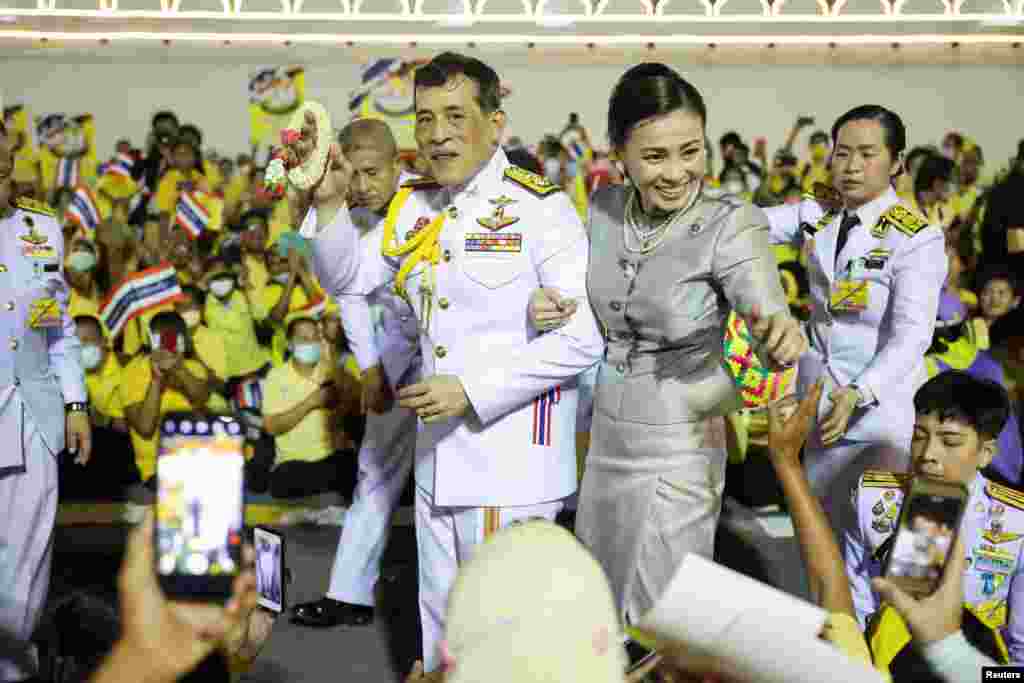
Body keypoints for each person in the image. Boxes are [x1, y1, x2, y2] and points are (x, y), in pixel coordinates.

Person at [299, 52, 605, 671]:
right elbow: (352, 277)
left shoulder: (539, 208)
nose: (437, 134)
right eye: (424, 118)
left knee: (503, 642)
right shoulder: (414, 205)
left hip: (509, 461)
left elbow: (581, 341)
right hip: (438, 456)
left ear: (496, 123)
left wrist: (471, 390)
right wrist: (329, 205)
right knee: (442, 628)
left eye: (455, 116)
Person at [533, 63, 803, 625]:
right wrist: (545, 304)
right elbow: (584, 301)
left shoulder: (732, 223)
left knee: (661, 617)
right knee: (597, 607)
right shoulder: (604, 209)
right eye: (655, 156)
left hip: (682, 443)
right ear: (619, 153)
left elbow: (763, 302)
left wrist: (774, 328)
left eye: (691, 151)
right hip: (605, 437)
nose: (677, 172)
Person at [761, 105, 947, 537]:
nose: (852, 166)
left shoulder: (915, 237)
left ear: (897, 162)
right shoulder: (819, 213)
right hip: (820, 411)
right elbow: (748, 224)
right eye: (843, 153)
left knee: (875, 547)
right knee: (818, 544)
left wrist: (859, 393)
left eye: (867, 154)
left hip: (879, 416)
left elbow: (912, 336)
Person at [292, 118, 422, 628]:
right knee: (373, 472)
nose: (364, 185)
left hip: (448, 360)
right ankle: (349, 595)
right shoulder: (343, 210)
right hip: (390, 354)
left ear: (398, 165)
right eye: (355, 174)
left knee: (448, 484)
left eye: (374, 173)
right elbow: (346, 292)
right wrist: (369, 367)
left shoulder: (432, 201)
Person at [847, 371, 1024, 673]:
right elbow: (854, 606)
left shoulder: (1016, 520)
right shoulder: (872, 499)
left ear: (986, 453)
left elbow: (1021, 653)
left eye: (950, 441)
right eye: (918, 436)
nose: (928, 454)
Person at [0, 127, 92, 682]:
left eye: (5, 171)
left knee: (26, 554)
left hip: (33, 410)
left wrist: (76, 403)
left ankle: (13, 668)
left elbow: (58, 330)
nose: (1, 183)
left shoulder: (41, 230)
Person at [260, 313, 357, 499]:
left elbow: (356, 408)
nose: (311, 344)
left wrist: (333, 369)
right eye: (304, 339)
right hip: (293, 463)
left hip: (332, 458)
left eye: (315, 339)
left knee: (348, 467)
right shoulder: (277, 377)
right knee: (285, 480)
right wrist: (311, 403)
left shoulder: (332, 371)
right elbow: (271, 426)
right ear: (290, 344)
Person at [120, 311, 212, 484]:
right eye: (161, 338)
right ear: (151, 340)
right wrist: (156, 380)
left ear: (182, 341)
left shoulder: (193, 368)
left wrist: (180, 370)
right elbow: (145, 428)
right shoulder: (131, 372)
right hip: (157, 470)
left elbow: (201, 399)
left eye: (172, 338)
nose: (166, 345)